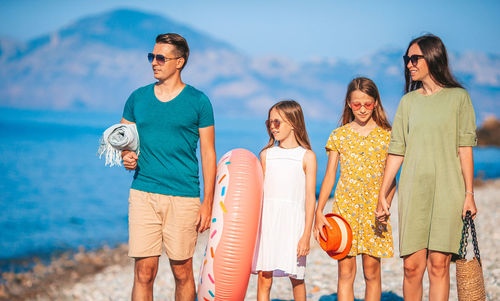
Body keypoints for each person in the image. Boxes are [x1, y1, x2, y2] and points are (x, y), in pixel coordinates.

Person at [376, 34, 478, 301]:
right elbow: (397, 150)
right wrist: (382, 194)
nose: (409, 64)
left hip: (449, 191)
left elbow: (464, 149)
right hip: (413, 191)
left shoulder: (459, 98)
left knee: (438, 265)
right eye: (406, 59)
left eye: (414, 58)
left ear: (432, 58)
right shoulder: (408, 102)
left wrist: (469, 195)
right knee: (411, 267)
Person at [120, 33, 216, 301]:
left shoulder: (199, 102)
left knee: (182, 272)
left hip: (184, 196)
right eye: (152, 56)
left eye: (160, 57)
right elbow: (125, 142)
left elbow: (208, 153)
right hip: (143, 193)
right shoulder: (137, 98)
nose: (154, 62)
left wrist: (207, 202)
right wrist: (126, 157)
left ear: (180, 62)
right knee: (144, 272)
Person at [314, 77, 396, 301]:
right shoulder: (339, 135)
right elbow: (330, 175)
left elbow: (391, 179)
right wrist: (319, 210)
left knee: (372, 272)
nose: (362, 109)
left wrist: (385, 205)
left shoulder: (388, 136)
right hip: (344, 212)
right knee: (346, 273)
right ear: (349, 104)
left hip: (375, 212)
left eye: (367, 104)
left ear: (376, 103)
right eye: (357, 104)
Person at [252, 100, 317, 301]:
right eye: (269, 123)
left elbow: (309, 200)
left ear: (293, 123)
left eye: (277, 122)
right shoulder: (266, 155)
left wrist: (306, 234)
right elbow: (257, 195)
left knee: (297, 277)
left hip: (293, 225)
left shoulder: (307, 157)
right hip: (267, 224)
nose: (273, 127)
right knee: (264, 277)